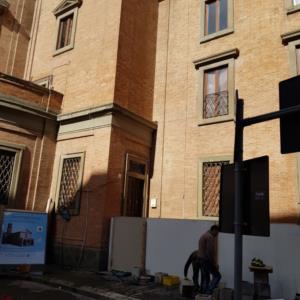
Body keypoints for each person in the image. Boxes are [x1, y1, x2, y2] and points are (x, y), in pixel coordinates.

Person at [197, 225, 221, 294]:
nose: (217, 235)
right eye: (217, 232)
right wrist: (214, 263)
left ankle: (204, 294)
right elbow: (209, 252)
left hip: (201, 259)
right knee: (217, 276)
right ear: (214, 230)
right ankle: (209, 291)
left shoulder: (204, 235)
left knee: (206, 277)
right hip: (206, 260)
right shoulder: (209, 237)